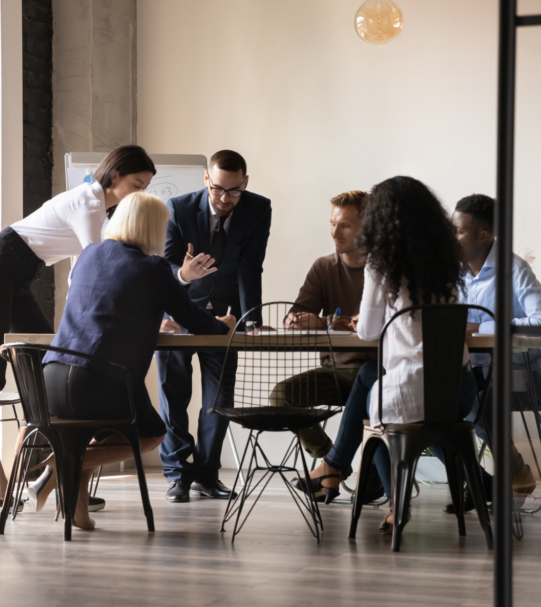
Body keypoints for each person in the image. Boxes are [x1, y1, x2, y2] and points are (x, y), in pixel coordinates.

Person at [29, 192, 236, 529]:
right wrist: (224, 324)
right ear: (154, 229)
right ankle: (57, 467)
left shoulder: (89, 254)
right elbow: (195, 321)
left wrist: (150, 320)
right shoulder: (153, 267)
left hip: (50, 377)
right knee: (152, 433)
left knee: (92, 432)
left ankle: (77, 511)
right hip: (97, 379)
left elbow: (104, 307)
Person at [0, 146, 156, 505]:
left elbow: (81, 273)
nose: (141, 193)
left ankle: (58, 478)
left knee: (44, 365)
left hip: (19, 274)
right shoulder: (89, 202)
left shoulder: (104, 209)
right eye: (137, 184)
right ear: (114, 176)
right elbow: (93, 268)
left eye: (146, 187)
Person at [294, 176, 477, 533]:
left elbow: (368, 332)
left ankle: (381, 494)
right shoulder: (445, 260)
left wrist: (370, 318)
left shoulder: (383, 264)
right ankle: (335, 469)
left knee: (374, 421)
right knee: (368, 380)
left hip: (415, 387)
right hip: (459, 387)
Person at [157, 150, 272, 502]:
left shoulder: (258, 208)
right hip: (178, 314)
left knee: (218, 399)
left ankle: (207, 474)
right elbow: (165, 265)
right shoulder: (177, 208)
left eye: (234, 191)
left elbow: (251, 266)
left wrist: (249, 319)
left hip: (224, 319)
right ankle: (177, 474)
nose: (225, 199)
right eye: (218, 189)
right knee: (173, 396)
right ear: (207, 179)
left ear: (245, 184)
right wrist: (183, 275)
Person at [445, 193, 541, 512]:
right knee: (432, 402)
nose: (450, 236)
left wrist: (483, 328)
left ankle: (513, 475)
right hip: (473, 377)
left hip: (524, 380)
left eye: (457, 230)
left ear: (483, 235)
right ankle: (482, 479)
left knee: (475, 398)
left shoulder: (513, 269)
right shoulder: (450, 273)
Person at [271, 190, 370, 458]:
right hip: (334, 372)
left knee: (381, 409)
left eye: (345, 226)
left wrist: (324, 322)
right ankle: (331, 461)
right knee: (281, 396)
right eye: (332, 224)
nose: (335, 233)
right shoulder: (323, 267)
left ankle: (363, 476)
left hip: (376, 372)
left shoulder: (385, 269)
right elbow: (294, 315)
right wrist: (296, 320)